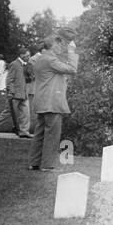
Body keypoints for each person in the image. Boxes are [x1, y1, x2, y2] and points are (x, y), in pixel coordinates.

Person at [28, 31, 79, 172]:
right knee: (52, 134)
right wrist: (71, 51)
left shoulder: (40, 59)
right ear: (52, 45)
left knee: (39, 134)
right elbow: (72, 69)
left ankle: (34, 163)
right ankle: (47, 165)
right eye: (59, 44)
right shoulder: (51, 60)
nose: (61, 47)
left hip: (41, 101)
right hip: (52, 102)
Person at [0, 47, 33, 137]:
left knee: (26, 113)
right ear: (21, 55)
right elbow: (9, 80)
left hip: (24, 94)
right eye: (27, 55)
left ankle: (24, 132)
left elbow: (27, 80)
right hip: (14, 94)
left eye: (29, 55)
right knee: (7, 112)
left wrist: (30, 77)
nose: (29, 57)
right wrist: (11, 92)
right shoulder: (14, 64)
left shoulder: (26, 65)